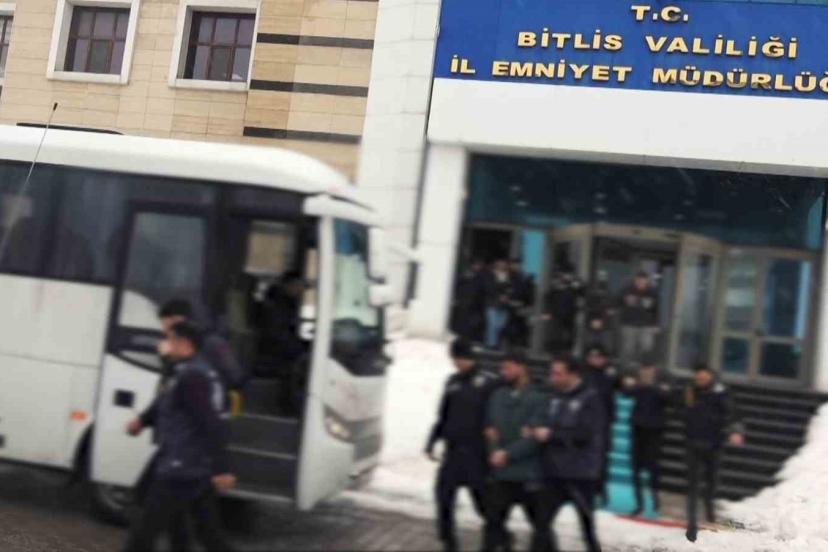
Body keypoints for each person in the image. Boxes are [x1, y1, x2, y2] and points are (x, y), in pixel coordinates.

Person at [123, 321, 237, 552]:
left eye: (169, 340)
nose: (164, 345)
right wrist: (142, 421)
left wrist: (222, 468)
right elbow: (166, 401)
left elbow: (210, 422)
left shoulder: (192, 377)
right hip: (193, 465)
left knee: (144, 532)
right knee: (204, 534)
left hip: (182, 466)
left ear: (184, 344)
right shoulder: (190, 371)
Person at [425, 339, 501, 552]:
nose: (458, 363)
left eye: (461, 358)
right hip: (453, 451)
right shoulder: (453, 382)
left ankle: (499, 536)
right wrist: (433, 439)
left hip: (477, 453)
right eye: (455, 358)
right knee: (443, 497)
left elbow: (496, 415)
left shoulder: (488, 382)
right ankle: (448, 541)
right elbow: (443, 414)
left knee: (483, 503)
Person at [534, 355, 605, 552]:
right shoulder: (554, 397)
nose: (553, 378)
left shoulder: (590, 398)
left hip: (579, 473)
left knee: (586, 526)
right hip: (554, 471)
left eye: (558, 374)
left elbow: (585, 434)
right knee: (541, 523)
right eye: (552, 373)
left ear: (573, 374)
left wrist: (552, 435)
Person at [483, 350, 547, 552]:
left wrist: (508, 453)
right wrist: (494, 450)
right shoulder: (498, 396)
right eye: (502, 368)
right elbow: (491, 429)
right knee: (492, 523)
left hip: (528, 474)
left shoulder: (538, 397)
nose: (504, 372)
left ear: (522, 367)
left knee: (541, 528)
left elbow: (534, 436)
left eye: (508, 368)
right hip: (502, 473)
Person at [680, 363, 745, 543]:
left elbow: (733, 413)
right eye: (698, 378)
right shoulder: (690, 391)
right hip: (693, 444)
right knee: (693, 485)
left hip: (714, 445)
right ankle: (692, 525)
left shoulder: (721, 392)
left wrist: (735, 431)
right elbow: (681, 409)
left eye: (703, 377)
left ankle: (709, 517)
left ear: (710, 376)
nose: (700, 380)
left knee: (711, 483)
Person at [621, 361, 671, 516]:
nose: (646, 374)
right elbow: (626, 393)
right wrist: (637, 385)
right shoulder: (638, 385)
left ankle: (655, 499)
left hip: (654, 431)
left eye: (649, 371)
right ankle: (639, 503)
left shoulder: (661, 383)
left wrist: (651, 386)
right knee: (635, 467)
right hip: (638, 429)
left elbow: (667, 398)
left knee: (653, 467)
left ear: (654, 371)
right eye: (644, 372)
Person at [582, 344, 621, 504]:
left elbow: (619, 387)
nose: (595, 360)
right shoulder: (583, 374)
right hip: (585, 422)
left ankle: (600, 489)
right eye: (593, 357)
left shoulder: (609, 375)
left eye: (599, 357)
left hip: (603, 423)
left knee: (602, 458)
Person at [617, 271, 660, 368]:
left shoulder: (652, 292)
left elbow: (656, 309)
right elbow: (617, 301)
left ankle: (643, 369)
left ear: (647, 281)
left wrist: (656, 324)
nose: (640, 283)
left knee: (646, 347)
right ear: (635, 280)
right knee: (628, 348)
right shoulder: (627, 290)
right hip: (629, 324)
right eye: (638, 281)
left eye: (643, 281)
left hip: (646, 325)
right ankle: (625, 369)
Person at [542, 268, 582, 354]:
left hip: (569, 315)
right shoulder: (556, 287)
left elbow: (581, 291)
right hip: (557, 315)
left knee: (568, 335)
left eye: (568, 275)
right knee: (556, 334)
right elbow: (548, 298)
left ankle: (566, 350)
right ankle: (554, 349)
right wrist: (547, 312)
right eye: (565, 274)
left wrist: (575, 283)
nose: (566, 277)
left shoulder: (573, 287)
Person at [450, 260, 486, 342]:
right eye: (476, 265)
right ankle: (459, 336)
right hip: (463, 301)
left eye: (479, 265)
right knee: (460, 320)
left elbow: (481, 290)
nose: (477, 267)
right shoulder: (465, 275)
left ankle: (465, 338)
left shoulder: (481, 277)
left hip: (473, 304)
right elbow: (458, 286)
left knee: (469, 323)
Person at [482, 259, 514, 349]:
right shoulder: (490, 276)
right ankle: (491, 344)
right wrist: (499, 295)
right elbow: (488, 288)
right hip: (492, 303)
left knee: (500, 325)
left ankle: (495, 342)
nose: (502, 267)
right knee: (492, 325)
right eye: (500, 265)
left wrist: (507, 295)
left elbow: (512, 289)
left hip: (504, 305)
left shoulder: (509, 277)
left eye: (504, 265)